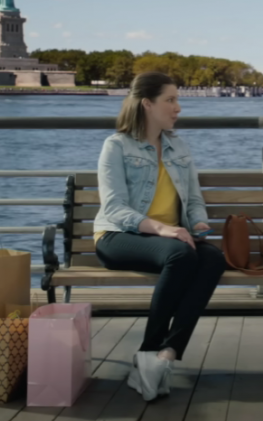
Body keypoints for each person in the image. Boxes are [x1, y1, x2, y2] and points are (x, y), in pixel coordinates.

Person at [93, 71, 225, 402]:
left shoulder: (178, 146)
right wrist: (165, 229)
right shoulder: (116, 145)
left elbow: (193, 199)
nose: (178, 107)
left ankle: (166, 355)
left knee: (212, 258)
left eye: (177, 99)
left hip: (170, 241)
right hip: (117, 236)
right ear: (147, 104)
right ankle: (148, 352)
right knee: (180, 255)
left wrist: (198, 225)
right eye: (171, 100)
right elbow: (114, 208)